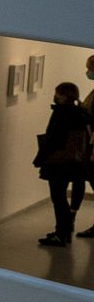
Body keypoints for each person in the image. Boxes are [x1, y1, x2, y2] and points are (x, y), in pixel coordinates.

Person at [36, 81, 91, 246]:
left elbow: (55, 139)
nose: (55, 96)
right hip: (75, 161)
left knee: (58, 197)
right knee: (62, 196)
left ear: (63, 95)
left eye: (57, 93)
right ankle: (64, 230)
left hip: (58, 163)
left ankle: (61, 232)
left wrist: (40, 157)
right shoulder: (81, 112)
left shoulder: (62, 113)